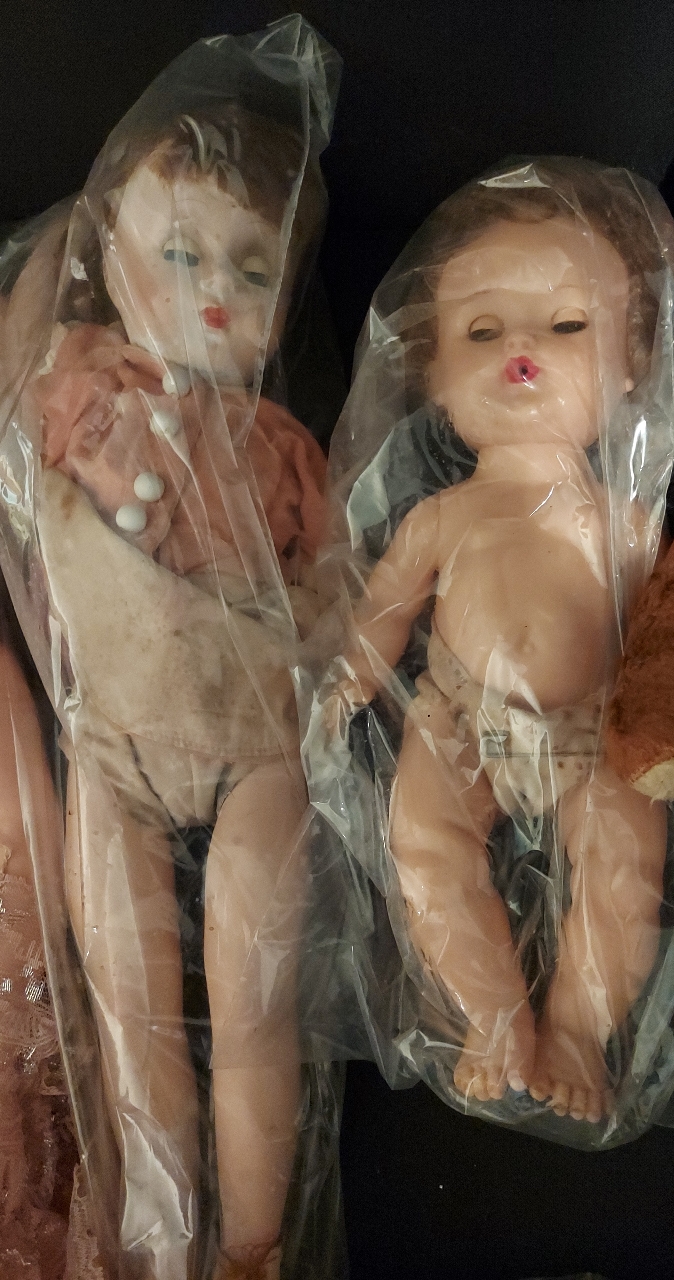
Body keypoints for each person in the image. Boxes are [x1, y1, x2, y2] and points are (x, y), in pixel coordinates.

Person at [0, 39, 332, 1280]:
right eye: (180, 254)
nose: (216, 296)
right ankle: (152, 1239)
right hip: (113, 755)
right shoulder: (77, 386)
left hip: (256, 753)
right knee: (128, 999)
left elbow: (334, 589)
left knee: (252, 996)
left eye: (253, 269)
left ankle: (251, 1242)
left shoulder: (283, 445)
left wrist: (345, 662)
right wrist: (65, 275)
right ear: (111, 259)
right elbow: (23, 364)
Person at [325, 164, 674, 1127]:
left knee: (624, 867)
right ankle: (492, 1015)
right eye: (482, 332)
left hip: (597, 726)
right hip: (457, 714)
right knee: (425, 849)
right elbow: (386, 606)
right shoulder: (443, 514)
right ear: (436, 376)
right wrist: (352, 675)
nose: (520, 347)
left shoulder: (625, 522)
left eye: (566, 325)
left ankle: (576, 1026)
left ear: (628, 366)